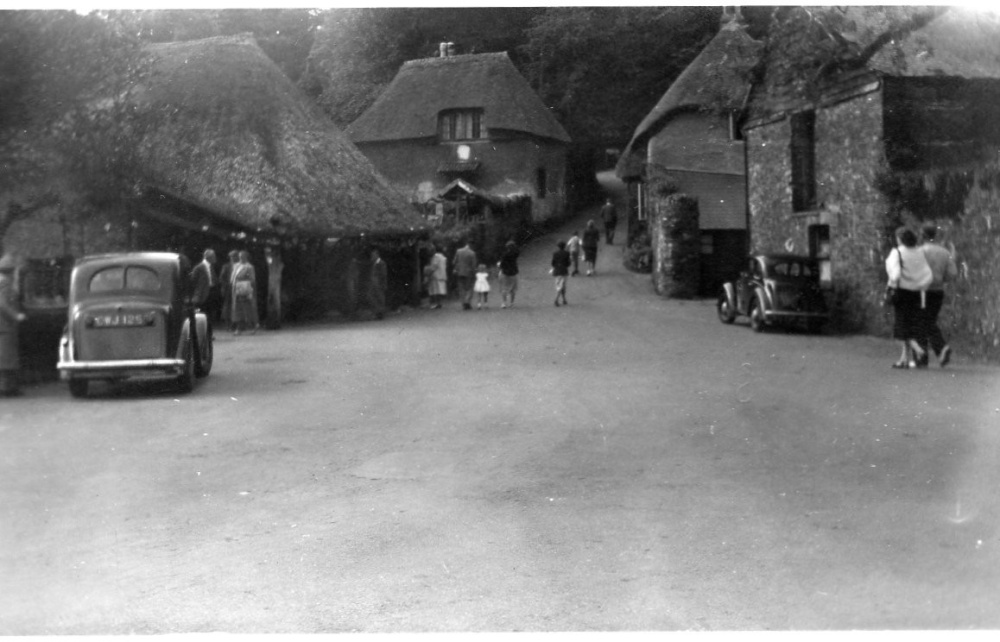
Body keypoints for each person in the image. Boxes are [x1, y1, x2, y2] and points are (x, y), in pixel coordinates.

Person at [885, 226, 933, 369]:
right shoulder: (919, 252)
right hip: (917, 293)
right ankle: (904, 359)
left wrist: (891, 283)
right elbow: (928, 275)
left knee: (902, 326)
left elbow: (895, 275)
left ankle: (918, 350)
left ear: (900, 239)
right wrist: (919, 284)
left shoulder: (897, 252)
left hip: (902, 292)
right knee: (910, 323)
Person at [918, 224, 958, 367]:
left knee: (921, 322)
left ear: (922, 235)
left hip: (922, 290)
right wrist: (941, 278)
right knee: (928, 321)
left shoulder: (919, 251)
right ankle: (932, 354)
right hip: (937, 291)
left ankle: (934, 351)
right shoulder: (944, 252)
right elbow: (952, 274)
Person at [0, 254, 27, 397]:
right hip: (5, 325)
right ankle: (6, 388)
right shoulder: (5, 283)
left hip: (4, 325)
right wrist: (15, 315)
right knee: (6, 358)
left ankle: (8, 387)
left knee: (6, 357)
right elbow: (2, 303)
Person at [231, 250, 259, 335]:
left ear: (246, 257)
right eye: (239, 257)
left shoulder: (249, 267)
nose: (240, 258)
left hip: (245, 289)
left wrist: (246, 285)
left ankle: (252, 326)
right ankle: (239, 328)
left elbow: (252, 279)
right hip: (236, 289)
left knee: (247, 309)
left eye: (242, 256)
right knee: (237, 309)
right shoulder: (236, 265)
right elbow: (233, 277)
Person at [189, 249, 219, 319]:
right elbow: (193, 281)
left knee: (210, 312)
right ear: (208, 257)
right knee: (201, 312)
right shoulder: (199, 267)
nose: (215, 258)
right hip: (202, 294)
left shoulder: (211, 267)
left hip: (211, 292)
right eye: (214, 256)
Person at [454, 240, 478, 310]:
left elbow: (454, 261)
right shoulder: (472, 253)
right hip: (469, 273)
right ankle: (467, 301)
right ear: (471, 245)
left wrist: (457, 268)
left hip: (460, 272)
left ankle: (463, 302)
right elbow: (473, 265)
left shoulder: (458, 251)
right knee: (469, 287)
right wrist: (474, 273)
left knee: (461, 288)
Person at [264, 247, 284, 330]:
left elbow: (268, 257)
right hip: (274, 285)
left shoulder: (276, 264)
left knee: (274, 303)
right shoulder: (273, 264)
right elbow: (268, 258)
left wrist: (267, 252)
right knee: (274, 303)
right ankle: (274, 322)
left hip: (274, 285)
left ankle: (275, 322)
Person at [497, 240, 520, 309]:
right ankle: (512, 303)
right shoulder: (516, 254)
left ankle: (504, 303)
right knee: (513, 289)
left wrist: (499, 265)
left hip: (505, 273)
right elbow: (517, 251)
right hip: (514, 272)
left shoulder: (505, 255)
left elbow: (502, 264)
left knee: (504, 288)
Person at [219, 250, 238, 331]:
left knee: (237, 306)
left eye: (235, 256)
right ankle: (228, 324)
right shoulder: (226, 266)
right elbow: (221, 278)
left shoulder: (240, 265)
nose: (233, 258)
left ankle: (236, 324)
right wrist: (224, 287)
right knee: (227, 306)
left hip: (238, 288)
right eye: (231, 256)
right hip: (229, 289)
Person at [368, 248, 388, 320]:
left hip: (379, 284)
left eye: (373, 255)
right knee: (372, 297)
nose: (372, 257)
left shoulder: (381, 263)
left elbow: (383, 274)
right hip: (374, 283)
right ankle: (378, 312)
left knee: (380, 298)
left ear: (377, 255)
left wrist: (382, 283)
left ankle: (380, 314)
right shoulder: (374, 263)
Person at [551, 240, 571, 307]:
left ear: (558, 246)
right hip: (564, 271)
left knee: (559, 285)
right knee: (562, 286)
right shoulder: (567, 253)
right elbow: (568, 263)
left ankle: (563, 299)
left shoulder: (555, 253)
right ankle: (557, 299)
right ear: (564, 246)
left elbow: (553, 263)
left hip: (557, 271)